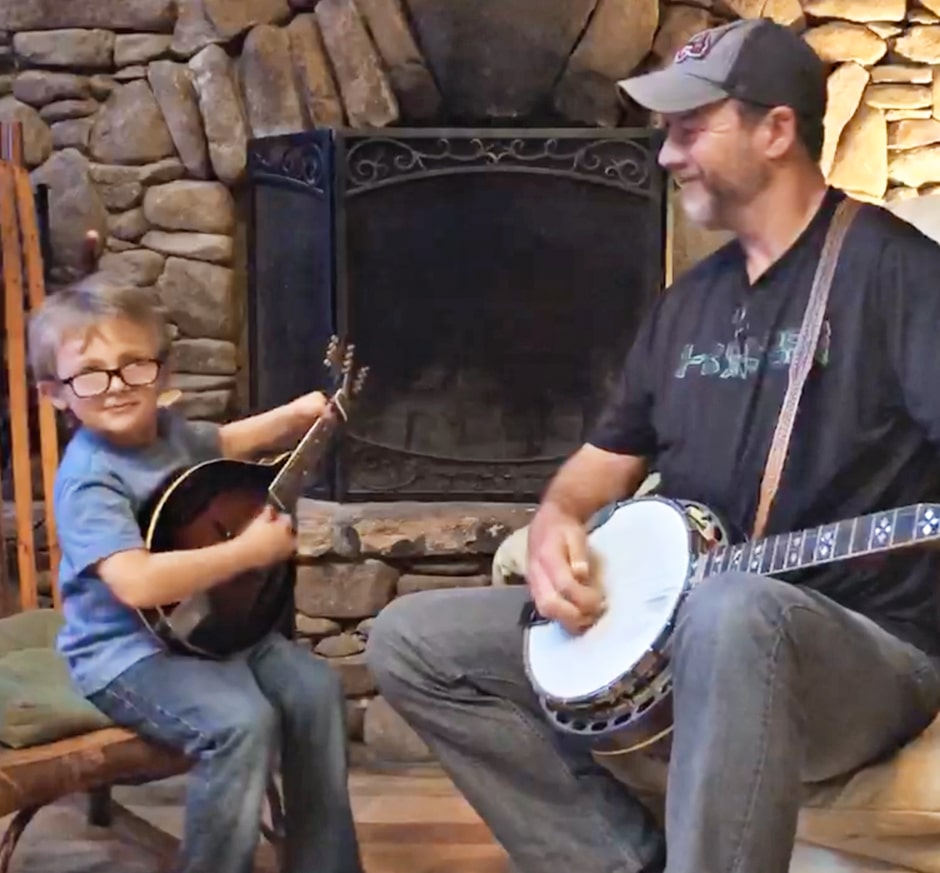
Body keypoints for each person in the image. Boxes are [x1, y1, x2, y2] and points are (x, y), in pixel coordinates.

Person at [365, 17, 940, 873]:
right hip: (684, 625)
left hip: (863, 652)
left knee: (734, 610)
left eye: (689, 128)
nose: (665, 155)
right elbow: (597, 469)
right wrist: (559, 520)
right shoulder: (688, 305)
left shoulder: (897, 275)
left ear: (776, 130)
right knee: (411, 639)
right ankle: (617, 860)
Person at [28, 274, 364, 873]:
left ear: (163, 374)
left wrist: (298, 416)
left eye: (135, 366)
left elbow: (222, 442)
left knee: (316, 690)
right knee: (241, 723)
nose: (117, 387)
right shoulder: (91, 479)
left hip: (205, 629)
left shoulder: (167, 432)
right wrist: (246, 554)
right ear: (55, 393)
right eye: (91, 374)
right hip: (126, 654)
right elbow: (134, 582)